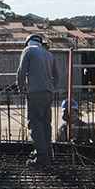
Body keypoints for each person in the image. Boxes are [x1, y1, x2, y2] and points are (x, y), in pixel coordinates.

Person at [16, 34, 59, 167]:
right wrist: (51, 88)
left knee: (35, 125)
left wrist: (21, 88)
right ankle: (49, 154)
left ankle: (41, 158)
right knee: (46, 124)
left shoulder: (28, 50)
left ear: (28, 42)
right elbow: (56, 76)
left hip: (35, 93)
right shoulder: (49, 54)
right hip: (48, 93)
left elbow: (21, 72)